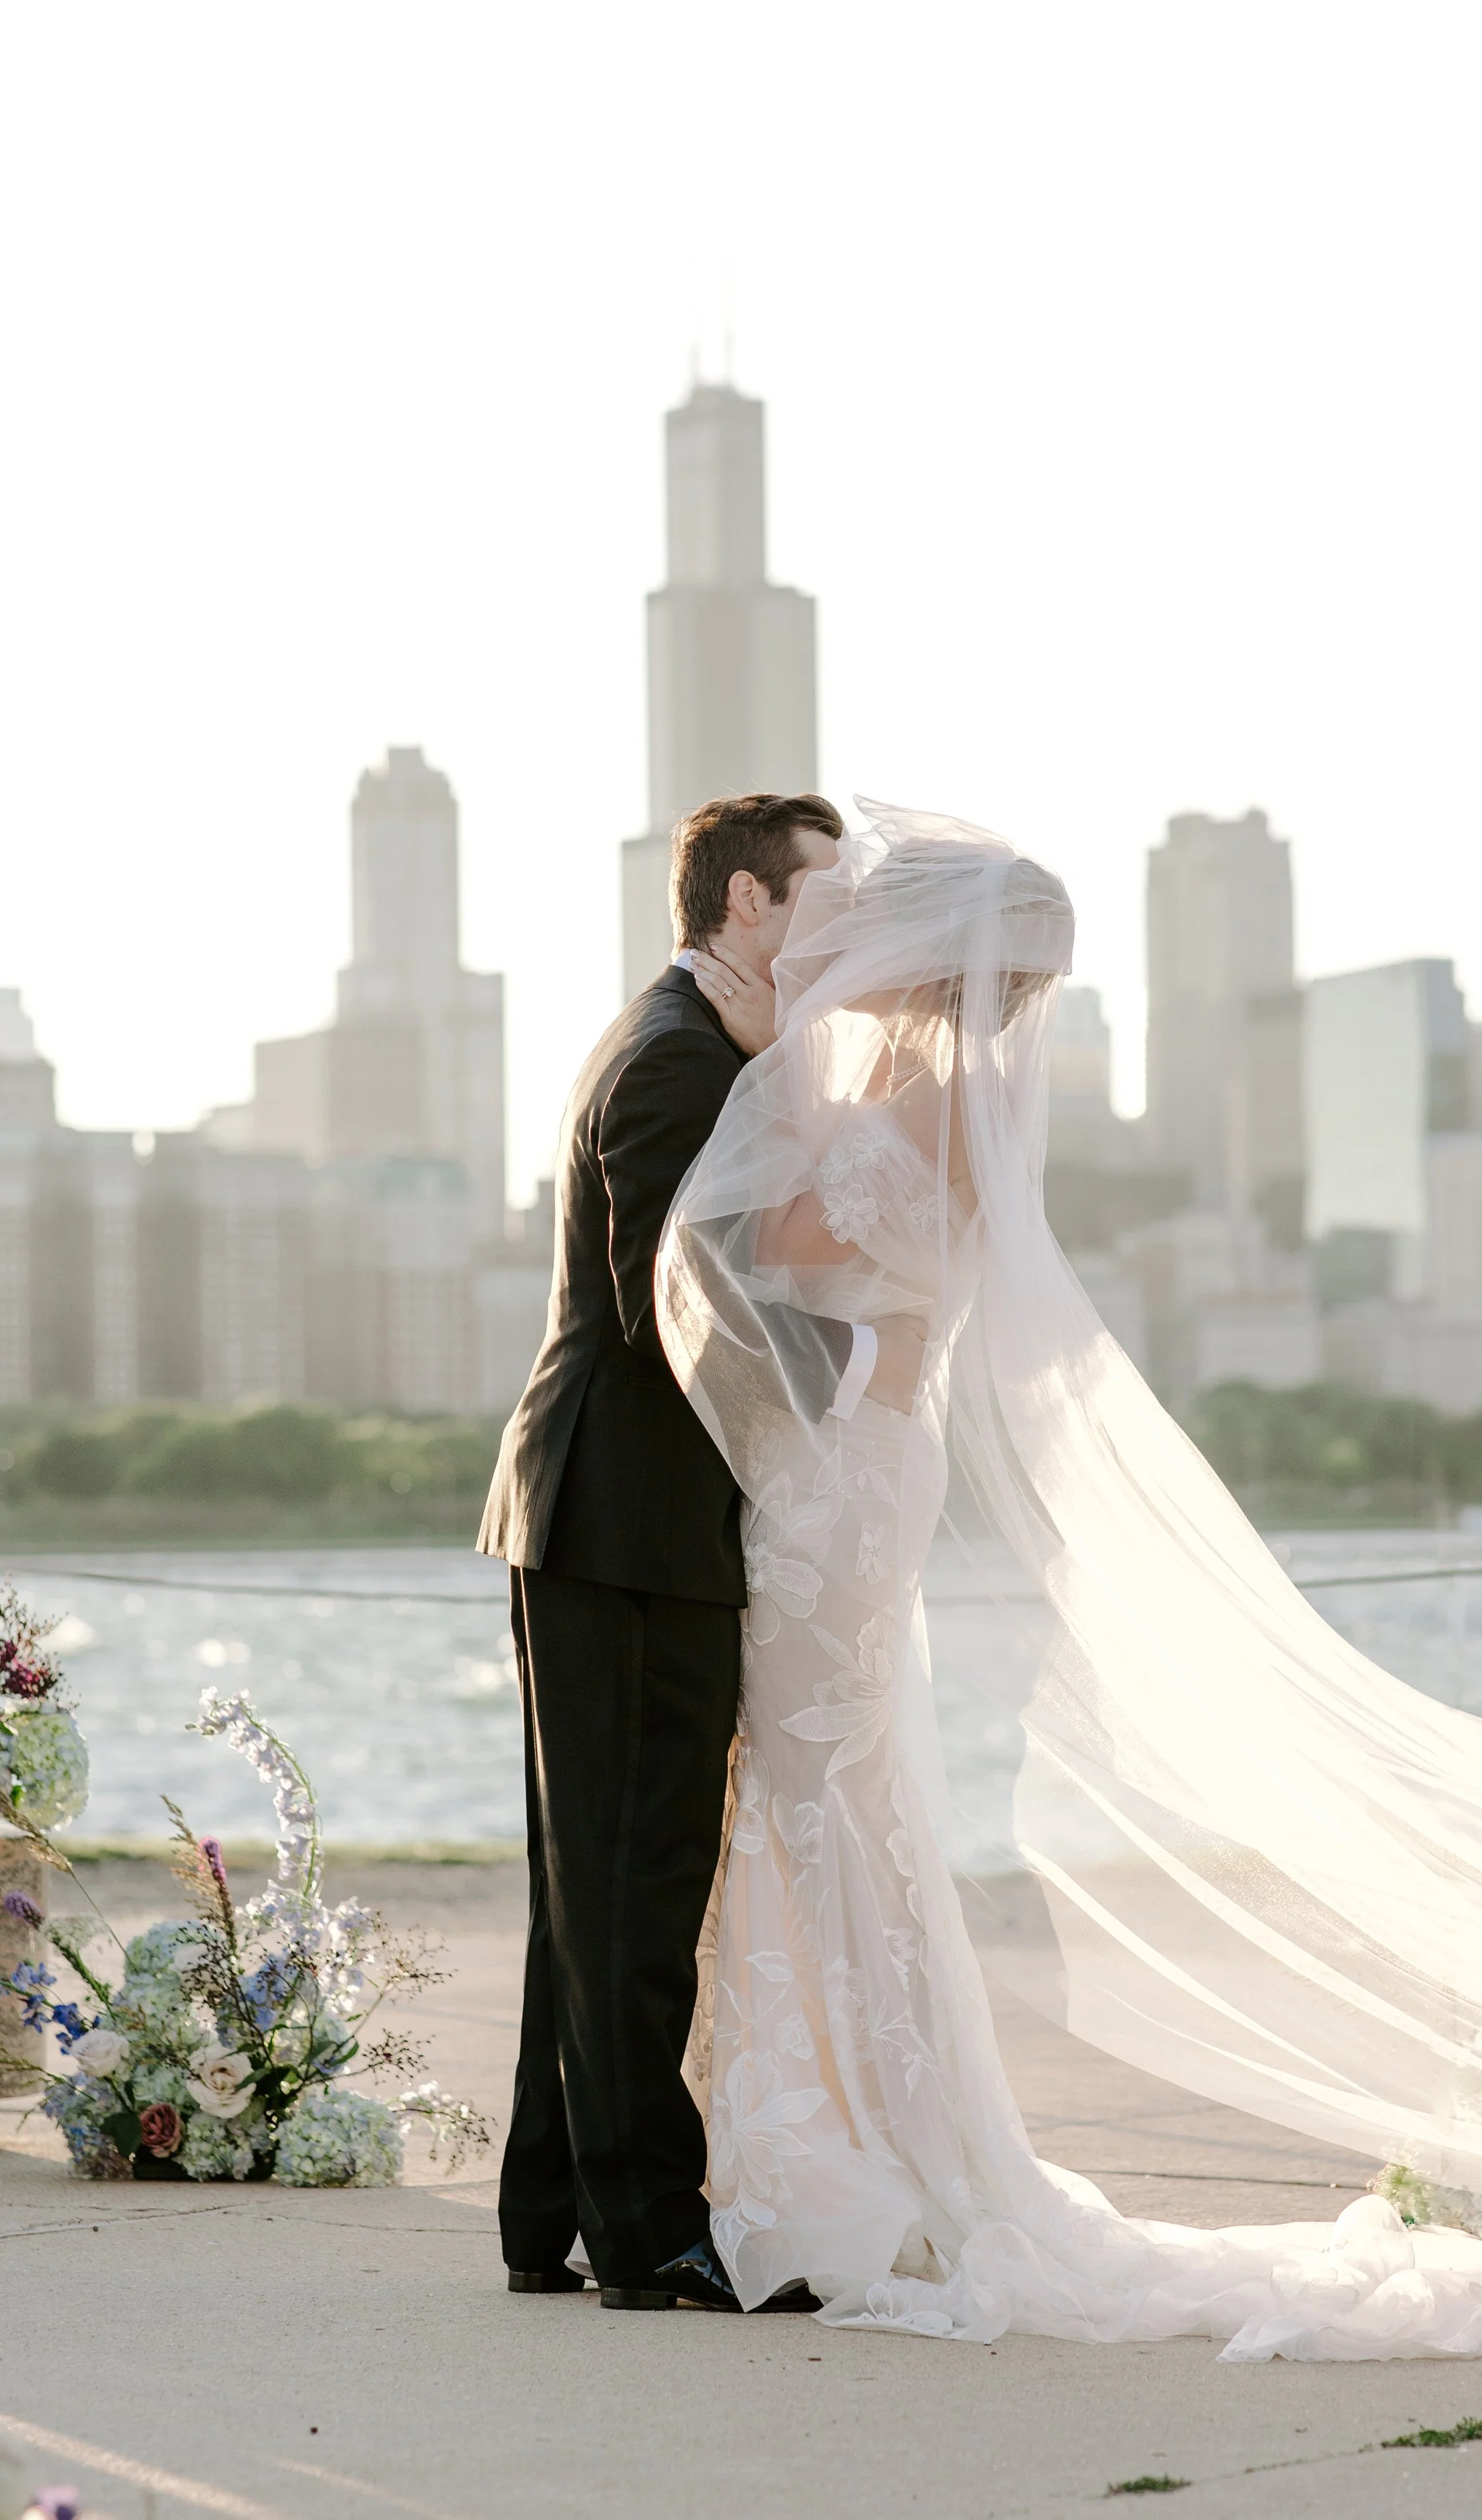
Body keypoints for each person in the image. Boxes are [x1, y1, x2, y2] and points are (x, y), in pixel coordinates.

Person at [655, 802, 1482, 2361]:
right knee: (832, 1793)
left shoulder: (909, 1107)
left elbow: (773, 1242)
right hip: (852, 1468)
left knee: (811, 1786)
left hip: (837, 1481)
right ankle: (834, 2119)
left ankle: (837, 2144)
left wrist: (782, 1100)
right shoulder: (943, 1097)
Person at [480, 791, 922, 2314]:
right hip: (621, 1521)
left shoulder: (698, 1045)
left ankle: (548, 2208)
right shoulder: (671, 1059)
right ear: (745, 903)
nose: (840, 923)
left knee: (590, 1885)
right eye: (820, 894)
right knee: (633, 1878)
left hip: (623, 1522)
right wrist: (870, 1361)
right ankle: (650, 2232)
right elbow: (687, 1314)